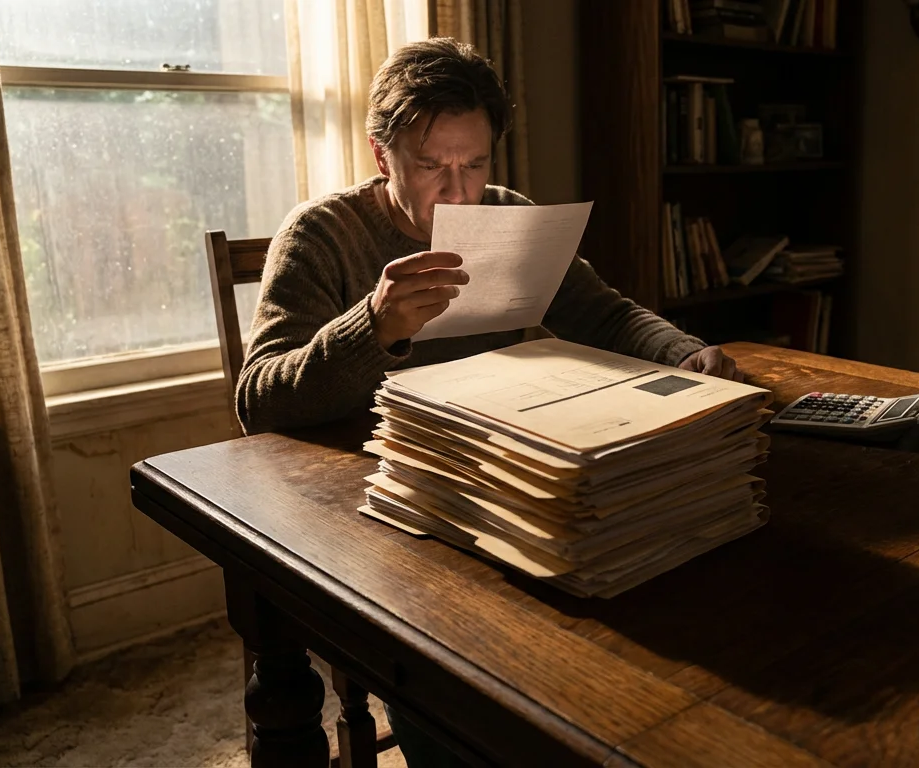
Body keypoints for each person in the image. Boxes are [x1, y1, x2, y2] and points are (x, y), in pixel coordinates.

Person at [236, 37, 740, 766]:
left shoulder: (507, 216)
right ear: (382, 157)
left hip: (497, 484)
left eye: (473, 164)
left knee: (637, 577)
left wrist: (680, 352)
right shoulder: (321, 234)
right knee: (453, 673)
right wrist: (371, 328)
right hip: (382, 506)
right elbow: (258, 400)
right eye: (431, 165)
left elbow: (603, 313)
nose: (459, 190)